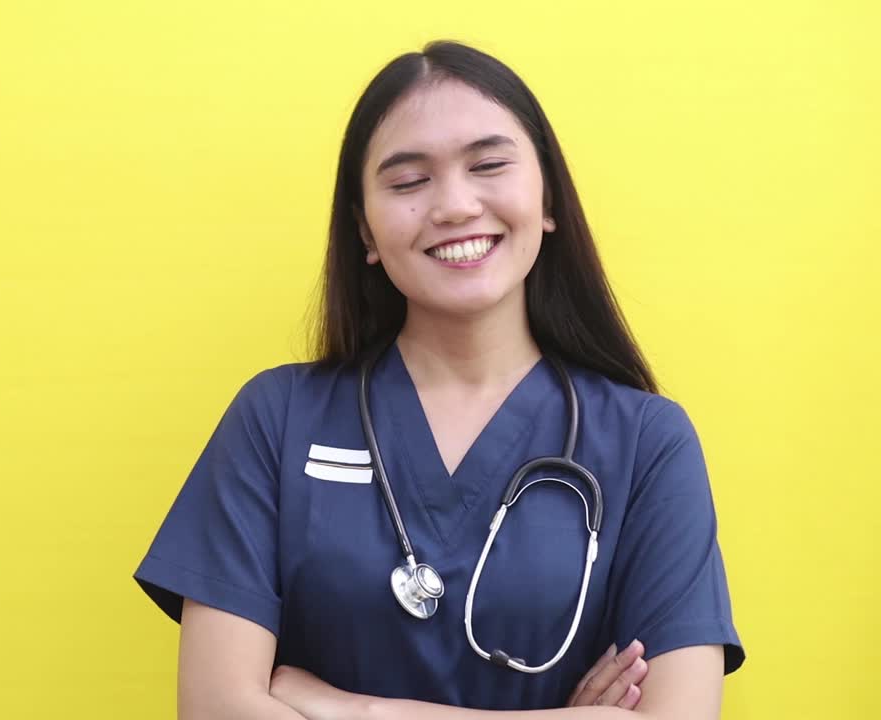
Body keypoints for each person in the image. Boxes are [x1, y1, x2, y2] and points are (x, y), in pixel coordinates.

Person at [134, 39, 744, 719]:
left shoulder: (648, 442)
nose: (454, 205)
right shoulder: (275, 419)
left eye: (488, 165)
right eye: (407, 182)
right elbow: (215, 709)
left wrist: (349, 709)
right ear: (366, 231)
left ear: (548, 199)